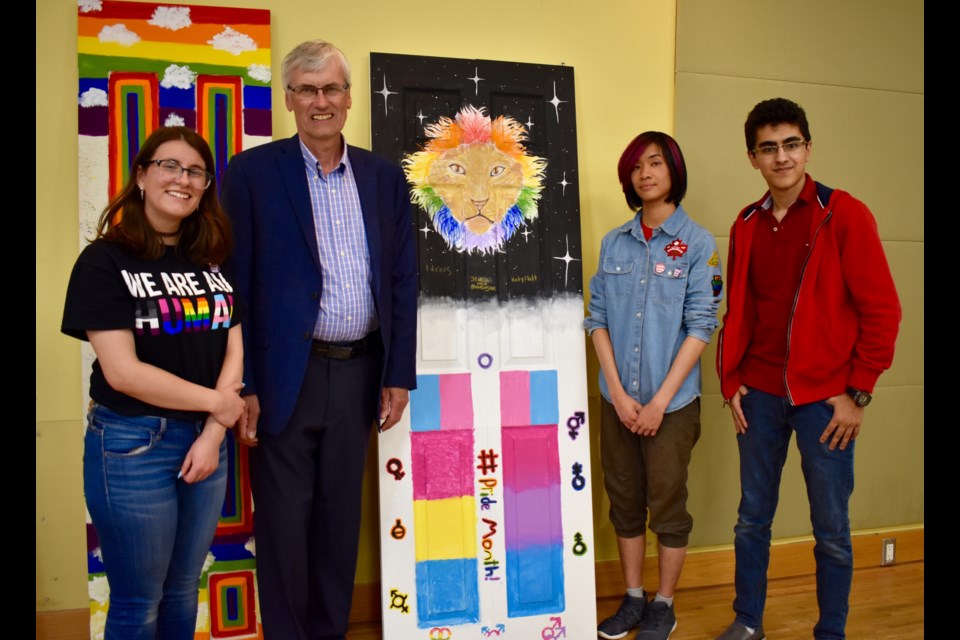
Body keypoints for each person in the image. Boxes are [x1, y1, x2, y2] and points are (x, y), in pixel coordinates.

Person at [219, 40, 417, 640]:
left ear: (349, 98)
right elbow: (235, 283)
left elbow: (403, 277)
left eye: (331, 88)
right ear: (289, 100)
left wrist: (397, 373)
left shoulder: (383, 177)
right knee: (283, 524)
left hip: (360, 372)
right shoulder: (251, 173)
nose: (321, 101)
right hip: (285, 378)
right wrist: (245, 381)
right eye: (307, 90)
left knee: (338, 522)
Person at [714, 98, 901, 640]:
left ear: (808, 148)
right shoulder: (745, 224)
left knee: (832, 531)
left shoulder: (844, 213)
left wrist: (857, 393)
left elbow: (883, 310)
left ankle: (831, 633)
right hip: (761, 397)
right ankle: (748, 621)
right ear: (753, 157)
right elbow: (739, 311)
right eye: (768, 148)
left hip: (826, 401)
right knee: (752, 520)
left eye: (791, 144)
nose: (782, 157)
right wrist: (732, 383)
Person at [61, 126, 246, 639]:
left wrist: (212, 432)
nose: (182, 180)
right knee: (139, 602)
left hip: (207, 443)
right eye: (169, 166)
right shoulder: (104, 261)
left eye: (195, 172)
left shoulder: (213, 255)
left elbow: (235, 340)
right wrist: (219, 405)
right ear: (141, 175)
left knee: (185, 587)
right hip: (131, 445)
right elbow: (124, 372)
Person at [584, 131, 723, 640]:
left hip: (674, 404)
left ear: (674, 172)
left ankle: (664, 604)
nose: (645, 173)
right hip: (617, 401)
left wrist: (659, 402)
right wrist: (619, 396)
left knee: (667, 503)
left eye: (656, 163)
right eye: (637, 166)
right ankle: (634, 599)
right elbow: (596, 319)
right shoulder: (614, 242)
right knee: (622, 500)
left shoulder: (699, 244)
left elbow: (701, 325)